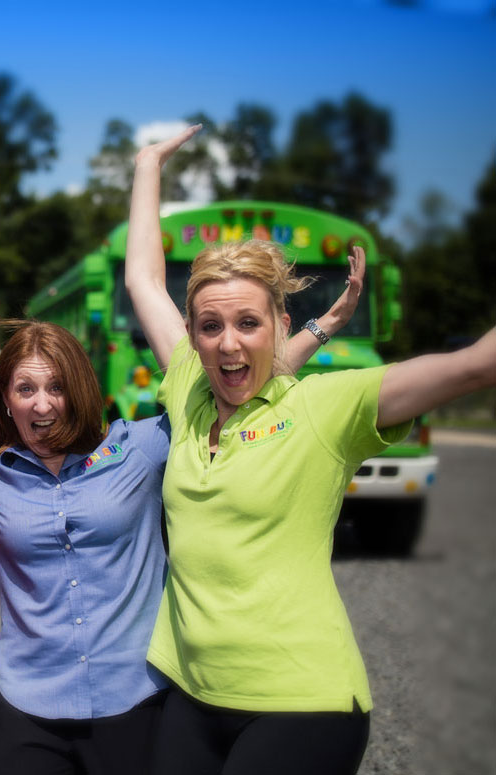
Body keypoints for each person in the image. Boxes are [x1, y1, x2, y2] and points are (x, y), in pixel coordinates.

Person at [126, 125, 496, 775]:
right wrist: (147, 164)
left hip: (302, 700)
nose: (227, 342)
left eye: (248, 322)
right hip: (191, 693)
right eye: (210, 326)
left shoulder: (325, 407)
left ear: (280, 326)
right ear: (192, 334)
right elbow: (142, 279)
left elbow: (470, 366)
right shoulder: (187, 385)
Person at [0, 281, 357, 775]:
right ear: (6, 399)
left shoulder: (142, 448)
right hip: (27, 712)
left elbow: (234, 389)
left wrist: (320, 328)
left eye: (56, 386)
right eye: (25, 389)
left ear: (79, 388)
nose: (42, 405)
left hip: (136, 705)